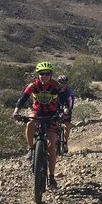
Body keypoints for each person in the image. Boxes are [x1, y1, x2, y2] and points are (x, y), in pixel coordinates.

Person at [12, 61, 60, 189]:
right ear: (38, 75)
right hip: (37, 111)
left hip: (52, 114)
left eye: (47, 74)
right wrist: (16, 111)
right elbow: (22, 99)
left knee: (51, 145)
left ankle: (52, 177)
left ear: (51, 74)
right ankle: (31, 149)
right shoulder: (33, 86)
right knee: (30, 123)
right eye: (41, 74)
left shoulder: (56, 86)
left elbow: (66, 99)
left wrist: (66, 111)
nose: (44, 76)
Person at [56, 74, 75, 152]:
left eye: (64, 83)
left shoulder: (68, 91)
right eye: (60, 82)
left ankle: (64, 143)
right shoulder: (54, 89)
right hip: (54, 108)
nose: (62, 84)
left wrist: (69, 109)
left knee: (67, 125)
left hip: (65, 107)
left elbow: (71, 101)